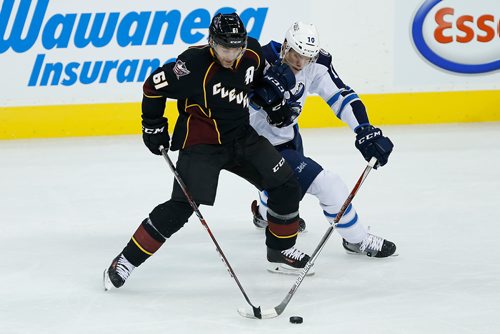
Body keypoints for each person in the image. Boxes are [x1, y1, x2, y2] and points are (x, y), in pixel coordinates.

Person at [102, 13, 317, 290]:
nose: (230, 55)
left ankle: (279, 250)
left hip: (242, 137)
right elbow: (153, 86)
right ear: (211, 42)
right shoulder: (192, 64)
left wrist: (274, 102)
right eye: (224, 48)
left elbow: (260, 79)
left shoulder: (251, 52)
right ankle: (126, 261)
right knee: (181, 207)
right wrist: (153, 125)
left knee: (286, 184)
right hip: (201, 143)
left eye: (235, 48)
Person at [249, 22, 397, 258]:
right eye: (295, 55)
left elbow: (341, 95)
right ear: (285, 45)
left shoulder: (316, 63)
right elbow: (230, 105)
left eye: (305, 58)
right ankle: (357, 239)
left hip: (288, 138)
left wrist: (364, 129)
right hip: (255, 145)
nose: (299, 63)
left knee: (283, 190)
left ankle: (265, 213)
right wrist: (257, 100)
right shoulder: (258, 61)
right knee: (328, 185)